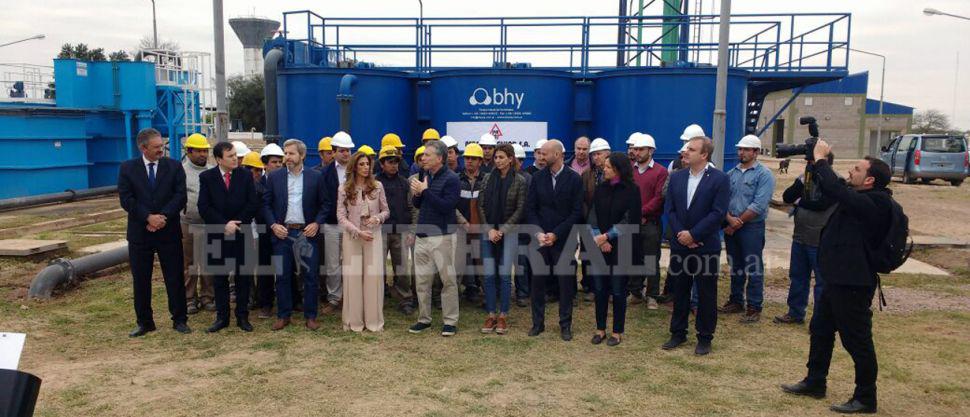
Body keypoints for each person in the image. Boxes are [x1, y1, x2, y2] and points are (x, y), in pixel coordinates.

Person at [781, 141, 893, 414]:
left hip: (853, 283)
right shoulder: (857, 195)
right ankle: (815, 381)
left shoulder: (877, 202)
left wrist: (821, 160)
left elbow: (833, 189)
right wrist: (813, 165)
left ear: (870, 179)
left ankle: (866, 397)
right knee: (820, 330)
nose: (850, 171)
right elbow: (832, 188)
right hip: (835, 279)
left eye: (856, 169)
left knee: (857, 341)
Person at [118, 128, 190, 337]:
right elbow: (126, 199)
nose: (162, 150)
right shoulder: (127, 169)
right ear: (143, 148)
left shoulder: (174, 167)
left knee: (174, 277)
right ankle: (144, 322)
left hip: (168, 232)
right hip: (140, 233)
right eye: (157, 147)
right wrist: (148, 217)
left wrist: (162, 217)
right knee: (141, 279)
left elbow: (180, 196)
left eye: (162, 146)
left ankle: (179, 319)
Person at [661, 136, 730, 356]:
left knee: (706, 293)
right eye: (686, 148)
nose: (685, 152)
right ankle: (678, 332)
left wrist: (694, 234)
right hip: (681, 245)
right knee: (679, 290)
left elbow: (718, 213)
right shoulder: (678, 177)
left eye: (691, 149)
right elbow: (670, 210)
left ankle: (705, 336)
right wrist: (683, 235)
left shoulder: (719, 179)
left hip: (705, 245)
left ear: (704, 155)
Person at [262, 139, 328, 331]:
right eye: (286, 153)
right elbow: (265, 204)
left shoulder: (316, 177)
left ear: (302, 155)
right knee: (282, 276)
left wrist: (316, 223)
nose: (287, 157)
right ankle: (284, 315)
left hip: (307, 233)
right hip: (283, 233)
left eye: (291, 153)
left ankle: (311, 316)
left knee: (310, 276)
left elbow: (325, 204)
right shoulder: (275, 177)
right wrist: (273, 225)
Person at [525, 139, 584, 341]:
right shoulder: (537, 178)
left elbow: (576, 212)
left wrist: (556, 234)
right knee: (538, 282)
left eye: (544, 154)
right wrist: (540, 233)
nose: (541, 157)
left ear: (557, 155)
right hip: (540, 240)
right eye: (540, 153)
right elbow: (530, 209)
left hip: (564, 239)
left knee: (565, 284)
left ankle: (565, 325)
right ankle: (537, 323)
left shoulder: (574, 179)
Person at [197, 142, 259, 333]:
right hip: (218, 233)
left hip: (242, 233)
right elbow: (204, 206)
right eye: (230, 156)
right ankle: (222, 317)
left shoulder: (246, 176)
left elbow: (252, 203)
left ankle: (242, 317)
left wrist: (237, 223)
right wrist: (225, 225)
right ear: (218, 159)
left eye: (235, 155)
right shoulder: (207, 177)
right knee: (220, 278)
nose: (235, 158)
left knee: (243, 277)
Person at [774, 152, 837, 325]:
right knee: (798, 276)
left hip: (820, 240)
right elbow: (787, 197)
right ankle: (795, 313)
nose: (809, 165)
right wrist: (802, 182)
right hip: (800, 237)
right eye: (808, 162)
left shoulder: (833, 183)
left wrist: (800, 202)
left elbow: (821, 204)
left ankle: (820, 320)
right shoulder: (805, 179)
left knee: (821, 283)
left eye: (812, 162)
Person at [408, 140, 462, 337]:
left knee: (447, 281)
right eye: (423, 155)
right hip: (422, 236)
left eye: (427, 155)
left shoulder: (452, 179)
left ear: (440, 158)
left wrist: (425, 191)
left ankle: (450, 321)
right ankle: (424, 319)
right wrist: (417, 194)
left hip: (443, 237)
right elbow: (419, 204)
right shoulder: (424, 175)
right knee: (422, 281)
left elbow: (446, 207)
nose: (423, 158)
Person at [720, 135, 776, 323]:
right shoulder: (732, 174)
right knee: (736, 265)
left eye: (745, 149)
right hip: (731, 226)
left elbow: (759, 205)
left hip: (751, 227)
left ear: (756, 152)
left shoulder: (764, 175)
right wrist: (729, 219)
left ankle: (754, 306)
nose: (741, 152)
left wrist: (737, 223)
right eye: (740, 149)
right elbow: (723, 200)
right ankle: (736, 300)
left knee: (753, 266)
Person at [588, 152, 641, 346]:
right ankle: (600, 329)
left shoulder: (632, 190)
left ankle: (617, 331)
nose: (605, 169)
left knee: (618, 290)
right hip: (600, 246)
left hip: (622, 247)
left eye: (609, 167)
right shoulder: (601, 189)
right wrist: (600, 239)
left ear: (618, 169)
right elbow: (592, 216)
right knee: (600, 288)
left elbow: (629, 219)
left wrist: (608, 236)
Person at [337, 152, 390, 332]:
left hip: (373, 236)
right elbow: (340, 216)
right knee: (352, 279)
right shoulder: (344, 188)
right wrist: (357, 231)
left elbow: (386, 211)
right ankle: (354, 322)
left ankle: (374, 322)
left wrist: (377, 219)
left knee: (373, 279)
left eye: (367, 164)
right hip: (352, 237)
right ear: (354, 167)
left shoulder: (378, 186)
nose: (366, 167)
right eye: (361, 164)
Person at [477, 144, 527, 335]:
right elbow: (480, 206)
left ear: (510, 159)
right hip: (488, 232)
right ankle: (491, 314)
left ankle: (503, 315)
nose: (497, 160)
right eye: (496, 157)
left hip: (509, 233)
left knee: (505, 275)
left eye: (501, 157)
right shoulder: (487, 178)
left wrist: (503, 231)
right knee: (489, 275)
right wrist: (489, 230)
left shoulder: (520, 181)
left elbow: (520, 209)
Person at [376, 146, 416, 315]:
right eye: (390, 162)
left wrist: (412, 231)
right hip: (380, 232)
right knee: (378, 268)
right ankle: (377, 298)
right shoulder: (375, 183)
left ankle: (405, 299)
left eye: (396, 162)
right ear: (382, 164)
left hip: (401, 231)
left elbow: (412, 207)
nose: (394, 165)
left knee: (402, 268)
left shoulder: (404, 183)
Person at [319, 131, 355, 315]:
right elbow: (323, 200)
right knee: (333, 263)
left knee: (352, 262)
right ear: (333, 152)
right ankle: (334, 298)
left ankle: (351, 296)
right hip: (332, 225)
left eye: (348, 150)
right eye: (342, 150)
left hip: (353, 224)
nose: (346, 154)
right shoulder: (324, 174)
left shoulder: (358, 171)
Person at [630, 133, 668, 310]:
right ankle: (636, 292)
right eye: (635, 149)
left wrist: (641, 212)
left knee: (651, 259)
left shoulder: (660, 171)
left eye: (641, 149)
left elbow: (659, 197)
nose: (637, 152)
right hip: (633, 222)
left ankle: (652, 295)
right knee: (634, 258)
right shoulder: (631, 170)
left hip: (651, 223)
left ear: (651, 151)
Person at [180, 133, 215, 315]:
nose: (203, 154)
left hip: (209, 224)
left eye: (205, 151)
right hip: (188, 223)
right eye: (199, 151)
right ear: (189, 151)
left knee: (209, 262)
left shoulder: (212, 171)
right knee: (190, 263)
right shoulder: (181, 172)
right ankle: (189, 298)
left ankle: (208, 297)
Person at [254, 143, 288, 319]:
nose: (277, 165)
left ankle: (291, 300)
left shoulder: (286, 180)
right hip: (265, 231)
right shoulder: (258, 184)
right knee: (266, 268)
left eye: (280, 162)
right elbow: (258, 208)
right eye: (274, 162)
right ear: (265, 164)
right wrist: (271, 224)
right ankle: (265, 304)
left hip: (284, 231)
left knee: (287, 267)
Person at [578, 137, 611, 301]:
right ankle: (591, 287)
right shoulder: (586, 175)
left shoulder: (613, 174)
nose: (595, 157)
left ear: (607, 154)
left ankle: (609, 288)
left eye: (599, 154)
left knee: (609, 256)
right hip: (589, 221)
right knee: (589, 257)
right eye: (594, 155)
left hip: (609, 223)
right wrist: (587, 219)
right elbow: (582, 199)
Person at [456, 143, 486, 302]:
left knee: (483, 266)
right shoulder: (456, 179)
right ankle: (453, 299)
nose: (469, 161)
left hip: (481, 230)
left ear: (480, 161)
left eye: (474, 158)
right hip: (460, 230)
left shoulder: (487, 180)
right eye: (467, 158)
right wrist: (463, 223)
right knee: (459, 266)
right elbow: (451, 205)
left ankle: (489, 299)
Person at [512, 143, 533, 307]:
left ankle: (523, 293)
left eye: (517, 160)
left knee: (521, 261)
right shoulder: (501, 177)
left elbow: (528, 205)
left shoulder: (527, 179)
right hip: (506, 227)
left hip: (522, 227)